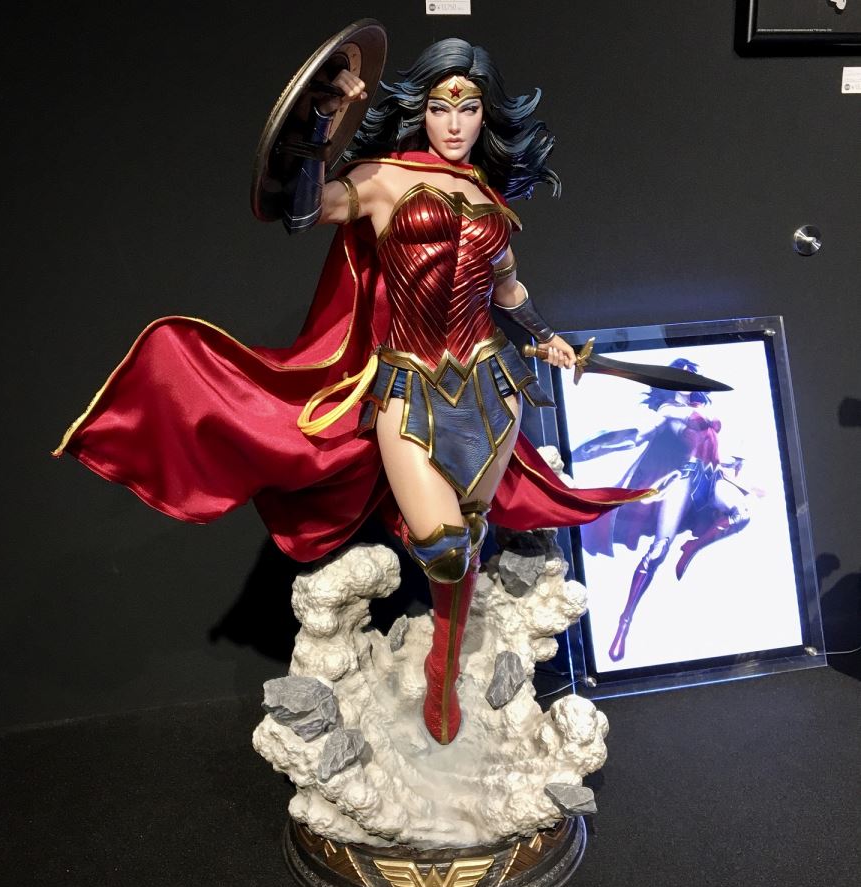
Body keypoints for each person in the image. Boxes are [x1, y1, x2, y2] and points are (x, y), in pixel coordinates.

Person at [54, 38, 650, 744]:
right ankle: (440, 668)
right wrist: (318, 121)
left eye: (468, 108)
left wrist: (550, 337)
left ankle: (447, 653)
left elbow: (508, 289)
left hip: (493, 386)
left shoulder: (490, 199)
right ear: (421, 111)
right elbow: (304, 212)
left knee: (470, 533)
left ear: (486, 116)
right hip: (410, 383)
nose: (454, 123)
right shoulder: (381, 177)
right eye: (440, 107)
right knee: (442, 547)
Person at [577, 360, 751, 663]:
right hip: (684, 480)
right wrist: (599, 445)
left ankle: (692, 548)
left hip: (711, 479)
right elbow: (638, 436)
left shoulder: (701, 409)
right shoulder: (668, 411)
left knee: (742, 513)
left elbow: (712, 452)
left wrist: (731, 462)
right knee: (658, 551)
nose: (691, 381)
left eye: (693, 376)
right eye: (684, 376)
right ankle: (624, 623)